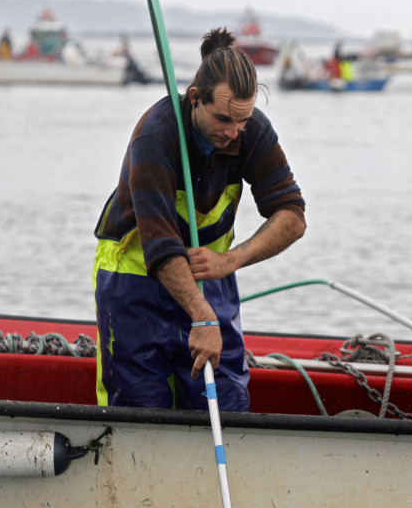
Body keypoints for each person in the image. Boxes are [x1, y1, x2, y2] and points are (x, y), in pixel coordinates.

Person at [92, 28, 306, 411]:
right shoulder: (155, 136)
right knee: (142, 410)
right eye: (223, 119)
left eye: (242, 120)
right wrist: (203, 319)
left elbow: (292, 215)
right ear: (195, 98)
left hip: (211, 280)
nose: (233, 132)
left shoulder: (249, 129)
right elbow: (159, 244)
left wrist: (232, 259)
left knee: (227, 404)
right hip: (136, 283)